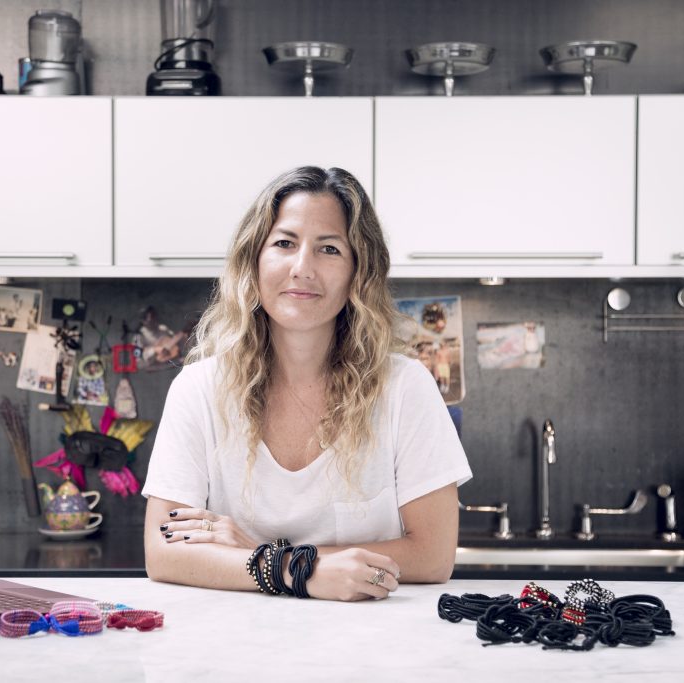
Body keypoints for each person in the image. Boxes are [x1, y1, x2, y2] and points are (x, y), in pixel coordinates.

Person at [141, 166, 472, 602]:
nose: (302, 268)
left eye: (329, 249)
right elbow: (164, 552)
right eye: (284, 243)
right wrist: (297, 571)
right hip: (232, 648)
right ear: (253, 261)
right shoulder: (199, 388)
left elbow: (432, 556)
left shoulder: (405, 388)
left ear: (358, 271)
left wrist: (270, 559)